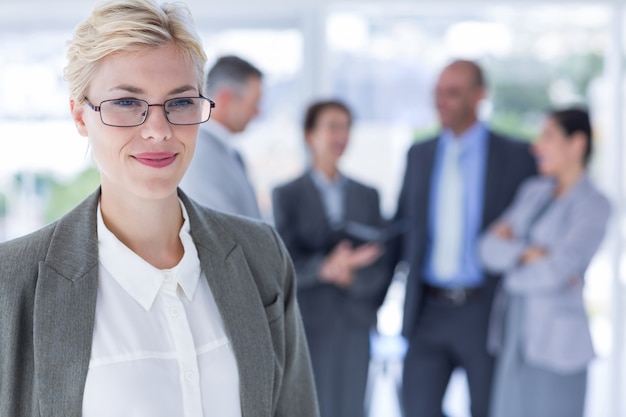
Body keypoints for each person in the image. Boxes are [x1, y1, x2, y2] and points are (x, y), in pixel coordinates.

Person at [0, 1, 319, 416]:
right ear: (80, 115)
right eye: (127, 103)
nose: (158, 130)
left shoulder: (261, 255)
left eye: (181, 103)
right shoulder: (14, 281)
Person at [389, 59, 536, 417]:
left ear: (479, 96)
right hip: (428, 307)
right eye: (437, 92)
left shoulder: (516, 156)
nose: (440, 101)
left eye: (452, 93)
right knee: (416, 407)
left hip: (486, 309)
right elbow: (402, 227)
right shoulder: (419, 153)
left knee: (488, 409)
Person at [479, 108, 610, 417]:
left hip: (558, 347)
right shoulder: (532, 192)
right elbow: (486, 249)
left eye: (548, 136)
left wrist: (511, 256)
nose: (537, 147)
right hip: (514, 334)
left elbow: (556, 271)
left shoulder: (595, 205)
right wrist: (528, 253)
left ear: (576, 144)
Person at [272, 100, 389, 417]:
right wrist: (326, 268)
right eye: (332, 126)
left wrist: (350, 275)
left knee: (353, 406)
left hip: (355, 319)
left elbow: (381, 263)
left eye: (347, 126)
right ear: (310, 135)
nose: (342, 134)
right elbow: (283, 262)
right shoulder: (287, 194)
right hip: (310, 322)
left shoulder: (368, 195)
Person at [179, 55, 263, 219]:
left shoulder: (228, 152)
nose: (257, 112)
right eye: (254, 103)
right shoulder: (199, 154)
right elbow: (217, 228)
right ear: (226, 99)